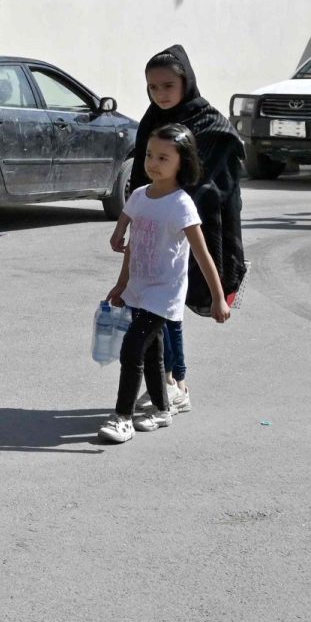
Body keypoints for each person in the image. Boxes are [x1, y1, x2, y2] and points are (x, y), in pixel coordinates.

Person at [113, 45, 246, 413]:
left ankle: (175, 381)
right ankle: (173, 381)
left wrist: (174, 202)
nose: (161, 94)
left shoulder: (210, 123)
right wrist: (133, 219)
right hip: (153, 230)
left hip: (189, 227)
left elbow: (221, 182)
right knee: (158, 306)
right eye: (153, 87)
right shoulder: (151, 120)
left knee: (165, 307)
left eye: (168, 85)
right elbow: (141, 176)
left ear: (186, 81)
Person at [99, 124, 231, 444]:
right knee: (152, 352)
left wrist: (218, 298)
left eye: (163, 157)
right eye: (149, 155)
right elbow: (131, 240)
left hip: (164, 292)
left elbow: (202, 255)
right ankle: (161, 409)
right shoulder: (140, 195)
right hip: (138, 288)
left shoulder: (181, 204)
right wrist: (121, 282)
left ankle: (123, 418)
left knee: (133, 347)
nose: (152, 163)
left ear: (181, 163)